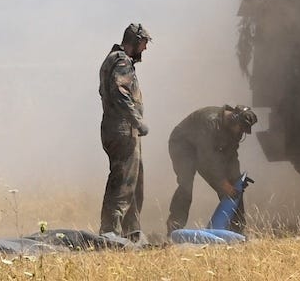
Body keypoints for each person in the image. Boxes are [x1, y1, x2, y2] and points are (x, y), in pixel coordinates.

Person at [165, 104, 258, 234]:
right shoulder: (208, 121)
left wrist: (237, 180)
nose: (241, 132)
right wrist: (222, 183)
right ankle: (175, 228)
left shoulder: (234, 129)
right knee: (186, 185)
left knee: (233, 188)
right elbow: (207, 159)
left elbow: (231, 156)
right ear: (233, 119)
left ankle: (237, 229)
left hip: (207, 152)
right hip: (184, 146)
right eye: (240, 129)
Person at [98, 22, 152, 238]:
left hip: (117, 129)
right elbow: (121, 93)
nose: (145, 49)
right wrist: (137, 121)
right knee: (123, 182)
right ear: (135, 42)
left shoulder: (112, 60)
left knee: (133, 180)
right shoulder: (121, 61)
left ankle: (132, 232)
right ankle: (111, 233)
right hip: (123, 130)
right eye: (144, 44)